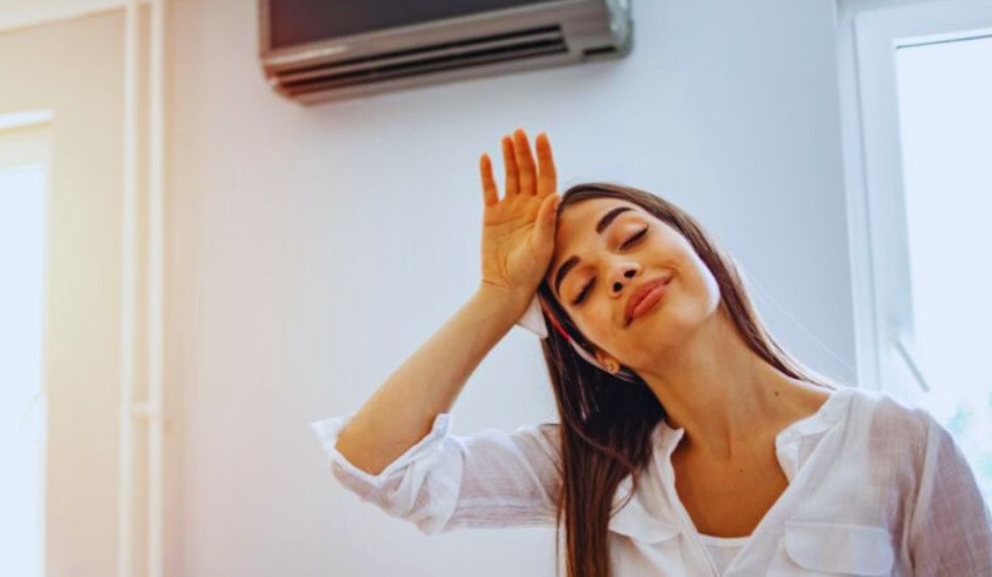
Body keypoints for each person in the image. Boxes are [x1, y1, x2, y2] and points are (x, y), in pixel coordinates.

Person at [310, 128, 992, 576]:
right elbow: (375, 461)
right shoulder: (594, 470)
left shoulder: (899, 443)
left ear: (701, 253)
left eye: (632, 237)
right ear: (599, 354)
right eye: (580, 284)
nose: (617, 269)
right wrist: (498, 293)